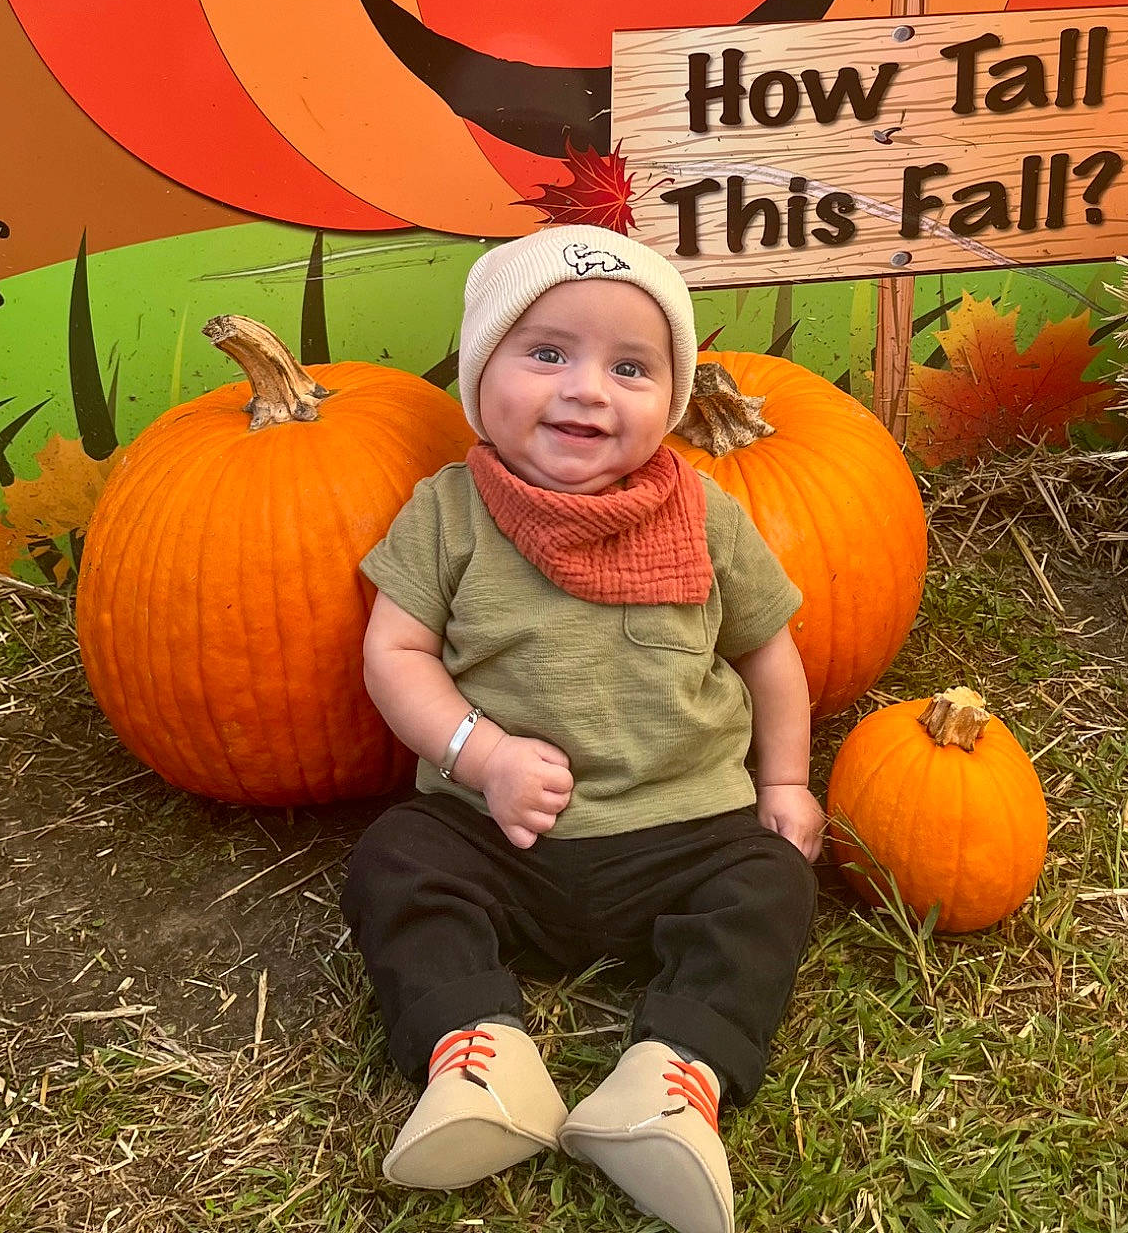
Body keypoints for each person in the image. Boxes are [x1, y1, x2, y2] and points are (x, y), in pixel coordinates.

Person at [341, 224, 824, 1233]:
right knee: (395, 856)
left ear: (673, 396)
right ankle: (476, 1056)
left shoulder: (703, 511)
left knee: (770, 882)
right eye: (547, 350)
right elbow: (396, 653)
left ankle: (674, 1080)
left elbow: (769, 654)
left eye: (631, 365)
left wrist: (785, 785)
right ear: (481, 373)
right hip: (497, 833)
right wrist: (482, 751)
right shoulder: (452, 510)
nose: (587, 387)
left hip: (683, 831)